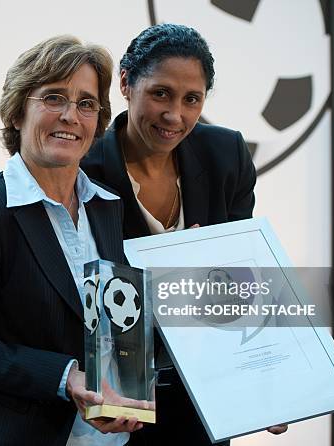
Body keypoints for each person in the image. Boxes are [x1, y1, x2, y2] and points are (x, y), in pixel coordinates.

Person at [81, 24, 287, 445]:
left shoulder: (226, 155)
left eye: (191, 99)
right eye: (160, 93)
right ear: (125, 82)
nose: (175, 115)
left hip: (202, 395)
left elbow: (241, 286)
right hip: (114, 397)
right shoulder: (83, 166)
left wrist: (267, 384)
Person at [0, 35, 144, 446]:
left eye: (86, 104)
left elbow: (115, 328)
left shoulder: (108, 207)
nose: (71, 116)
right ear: (16, 113)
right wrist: (65, 378)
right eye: (53, 98)